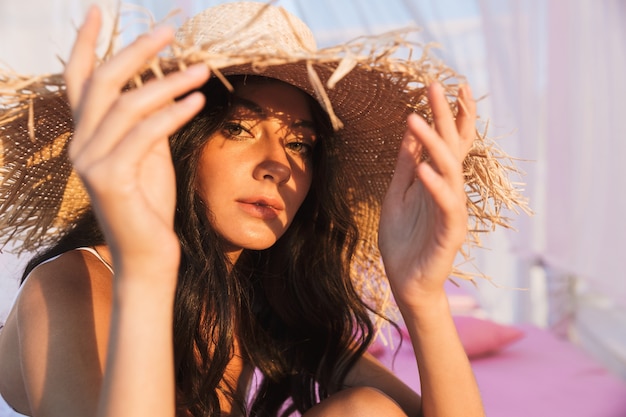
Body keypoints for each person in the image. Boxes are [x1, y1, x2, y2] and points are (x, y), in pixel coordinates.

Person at [0, 2, 525, 416]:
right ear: (173, 145)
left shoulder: (262, 301)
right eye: (238, 129)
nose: (278, 164)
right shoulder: (69, 285)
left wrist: (422, 296)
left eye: (300, 143)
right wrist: (147, 268)